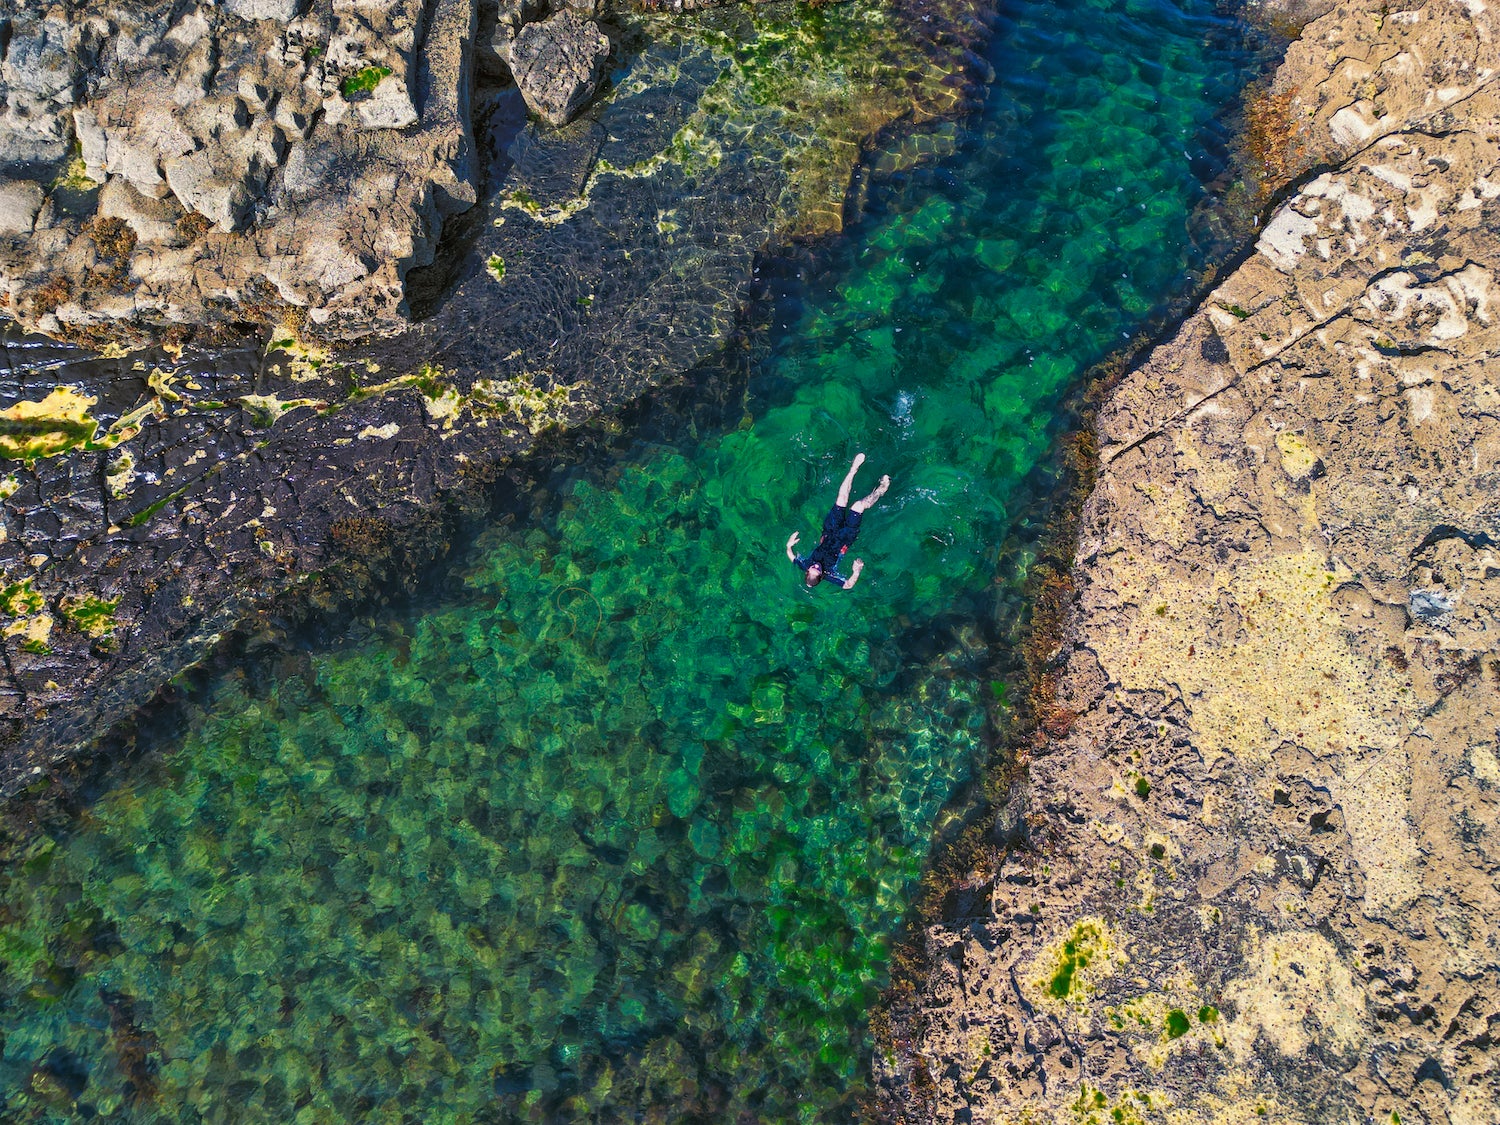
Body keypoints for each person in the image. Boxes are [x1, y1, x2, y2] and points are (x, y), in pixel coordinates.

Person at [786, 453, 890, 589]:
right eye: (817, 569)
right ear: (821, 575)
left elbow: (791, 556)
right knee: (858, 506)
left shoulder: (805, 564)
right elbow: (847, 585)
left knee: (841, 500)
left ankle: (854, 469)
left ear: (807, 571)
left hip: (829, 531)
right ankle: (881, 490)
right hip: (845, 539)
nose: (815, 565)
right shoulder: (830, 574)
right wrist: (856, 571)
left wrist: (789, 544)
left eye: (812, 567)